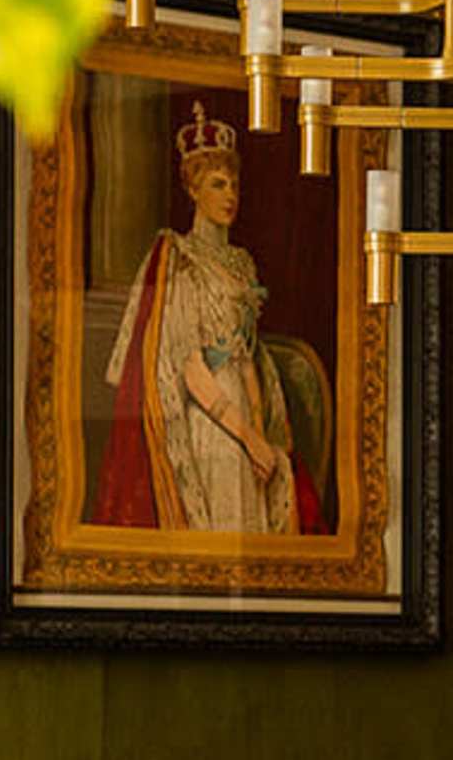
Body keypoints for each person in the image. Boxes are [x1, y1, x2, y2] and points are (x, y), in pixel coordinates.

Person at [90, 104, 321, 535]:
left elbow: (248, 355)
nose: (230, 194)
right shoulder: (178, 258)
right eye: (217, 184)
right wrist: (245, 436)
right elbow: (192, 368)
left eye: (234, 184)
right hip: (212, 421)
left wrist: (261, 433)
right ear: (193, 190)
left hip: (248, 416)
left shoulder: (242, 263)